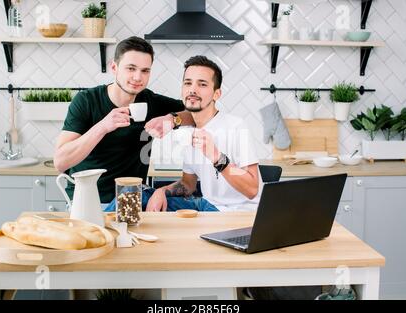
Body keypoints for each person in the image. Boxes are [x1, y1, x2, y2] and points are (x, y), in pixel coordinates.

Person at [54, 36, 194, 204]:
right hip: (87, 201)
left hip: (130, 202)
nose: (137, 77)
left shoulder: (150, 101)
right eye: (131, 68)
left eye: (145, 71)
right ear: (114, 67)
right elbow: (60, 162)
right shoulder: (86, 101)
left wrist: (173, 119)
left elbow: (196, 114)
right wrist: (102, 127)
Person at [144, 55, 261, 212]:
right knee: (139, 197)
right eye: (188, 83)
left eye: (202, 84)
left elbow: (252, 189)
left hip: (238, 213)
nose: (192, 89)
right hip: (207, 206)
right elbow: (188, 185)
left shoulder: (235, 127)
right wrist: (162, 191)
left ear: (216, 94)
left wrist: (216, 157)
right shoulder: (189, 134)